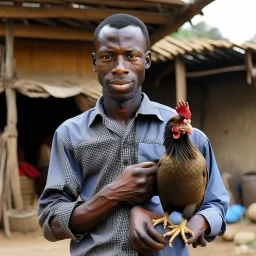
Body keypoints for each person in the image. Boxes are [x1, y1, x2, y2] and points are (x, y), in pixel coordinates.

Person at [38, 14, 229, 256]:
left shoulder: (192, 137)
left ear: (147, 60)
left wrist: (190, 224)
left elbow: (216, 205)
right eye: (108, 56)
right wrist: (114, 193)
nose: (120, 67)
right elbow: (50, 222)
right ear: (95, 62)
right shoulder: (70, 135)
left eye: (131, 56)